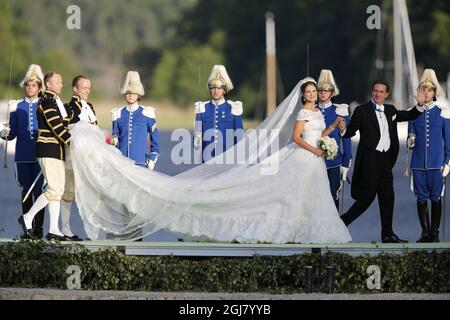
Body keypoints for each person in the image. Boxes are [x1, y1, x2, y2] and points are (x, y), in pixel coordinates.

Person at [66, 77, 352, 244]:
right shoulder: (302, 112)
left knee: (306, 198)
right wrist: (317, 149)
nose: (313, 95)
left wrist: (330, 134)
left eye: (316, 93)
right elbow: (297, 137)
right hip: (293, 158)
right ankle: (134, 231)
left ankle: (305, 231)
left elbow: (312, 134)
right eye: (310, 92)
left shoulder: (316, 113)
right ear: (303, 94)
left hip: (312, 160)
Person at [338, 80, 424, 243]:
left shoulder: (390, 110)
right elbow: (350, 131)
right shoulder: (361, 110)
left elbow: (408, 115)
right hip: (369, 160)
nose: (378, 94)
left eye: (381, 91)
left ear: (387, 94)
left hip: (385, 161)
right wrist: (343, 128)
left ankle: (387, 234)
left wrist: (419, 104)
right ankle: (341, 223)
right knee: (366, 199)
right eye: (375, 91)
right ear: (372, 92)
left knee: (388, 198)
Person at [20, 72, 71, 241]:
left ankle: (54, 229)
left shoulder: (55, 101)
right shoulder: (47, 101)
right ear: (48, 85)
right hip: (48, 149)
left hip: (56, 150)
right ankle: (28, 217)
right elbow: (56, 126)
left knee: (57, 191)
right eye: (58, 82)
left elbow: (65, 122)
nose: (61, 85)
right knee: (54, 189)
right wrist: (73, 142)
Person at [0, 64, 46, 239]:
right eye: (28, 85)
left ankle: (39, 228)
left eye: (34, 85)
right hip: (23, 155)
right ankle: (27, 229)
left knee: (40, 191)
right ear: (24, 86)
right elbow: (11, 136)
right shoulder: (16, 106)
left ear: (39, 87)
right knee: (26, 191)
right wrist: (4, 133)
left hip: (41, 155)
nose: (31, 88)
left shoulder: (44, 105)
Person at [406, 69, 450, 243]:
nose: (426, 92)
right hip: (418, 163)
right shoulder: (413, 112)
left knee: (436, 197)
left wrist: (447, 161)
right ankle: (425, 231)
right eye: (423, 89)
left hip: (436, 163)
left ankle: (435, 232)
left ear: (434, 92)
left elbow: (449, 141)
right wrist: (410, 141)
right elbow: (411, 135)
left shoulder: (443, 112)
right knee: (421, 197)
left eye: (429, 89)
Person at [60, 75, 98, 241]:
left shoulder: (90, 107)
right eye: (84, 88)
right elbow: (63, 128)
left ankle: (93, 232)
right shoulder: (69, 107)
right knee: (68, 192)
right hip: (72, 157)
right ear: (75, 89)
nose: (87, 91)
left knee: (92, 193)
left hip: (90, 157)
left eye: (89, 88)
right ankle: (65, 228)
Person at [316, 69, 352, 208]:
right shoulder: (312, 110)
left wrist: (346, 163)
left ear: (332, 92)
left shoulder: (340, 110)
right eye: (320, 90)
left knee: (332, 197)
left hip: (335, 163)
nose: (323, 92)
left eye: (327, 90)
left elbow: (346, 139)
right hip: (315, 163)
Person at [194, 65, 244, 163]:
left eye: (219, 88)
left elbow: (239, 136)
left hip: (228, 160)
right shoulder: (202, 108)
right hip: (207, 159)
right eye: (213, 88)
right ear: (209, 89)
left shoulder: (233, 108)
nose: (216, 91)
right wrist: (197, 139)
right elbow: (197, 135)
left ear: (224, 90)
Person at [111, 71, 160, 169]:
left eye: (133, 93)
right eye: (128, 92)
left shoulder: (147, 113)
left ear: (139, 95)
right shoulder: (117, 114)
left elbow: (155, 140)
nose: (130, 95)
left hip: (140, 162)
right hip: (121, 164)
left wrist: (152, 159)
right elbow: (114, 140)